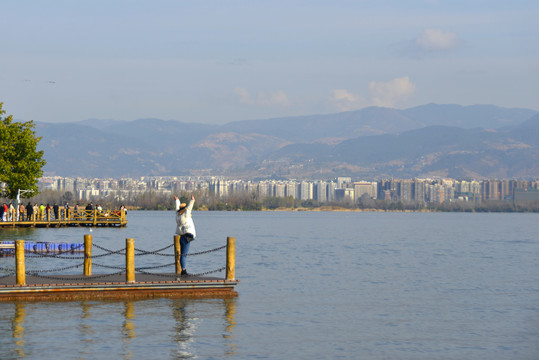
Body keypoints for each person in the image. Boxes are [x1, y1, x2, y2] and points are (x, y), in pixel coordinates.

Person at [174, 195, 196, 276]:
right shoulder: (186, 214)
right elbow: (190, 207)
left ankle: (183, 269)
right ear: (185, 209)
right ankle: (183, 270)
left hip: (181, 237)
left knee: (182, 255)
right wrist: (192, 200)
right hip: (187, 237)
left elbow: (177, 208)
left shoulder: (178, 215)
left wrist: (177, 200)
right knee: (184, 255)